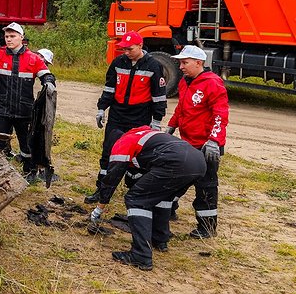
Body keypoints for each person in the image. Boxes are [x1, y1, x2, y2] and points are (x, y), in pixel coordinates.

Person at [89, 126, 206, 271]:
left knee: (136, 200)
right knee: (163, 197)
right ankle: (159, 239)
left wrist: (99, 207)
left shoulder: (122, 143)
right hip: (198, 161)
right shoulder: (143, 134)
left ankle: (141, 255)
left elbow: (112, 177)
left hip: (175, 161)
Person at [86, 31, 167, 204]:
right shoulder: (118, 62)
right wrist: (101, 108)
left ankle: (133, 191)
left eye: (130, 49)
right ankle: (102, 189)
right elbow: (109, 88)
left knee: (136, 155)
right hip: (117, 115)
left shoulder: (153, 65)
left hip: (140, 117)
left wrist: (156, 121)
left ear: (140, 46)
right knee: (108, 152)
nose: (126, 52)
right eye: (124, 49)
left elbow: (159, 96)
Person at [0, 23, 56, 170]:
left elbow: (46, 75)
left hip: (24, 111)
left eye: (12, 36)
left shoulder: (33, 59)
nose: (8, 39)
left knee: (27, 145)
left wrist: (49, 83)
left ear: (21, 37)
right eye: (7, 36)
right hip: (1, 110)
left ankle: (30, 171)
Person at [166, 45, 229, 239]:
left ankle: (207, 228)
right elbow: (181, 108)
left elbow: (220, 114)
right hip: (188, 143)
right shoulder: (185, 82)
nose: (181, 67)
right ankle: (167, 210)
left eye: (185, 63)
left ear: (199, 63)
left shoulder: (212, 83)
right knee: (177, 178)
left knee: (206, 186)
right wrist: (171, 126)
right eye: (180, 63)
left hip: (206, 146)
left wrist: (214, 141)